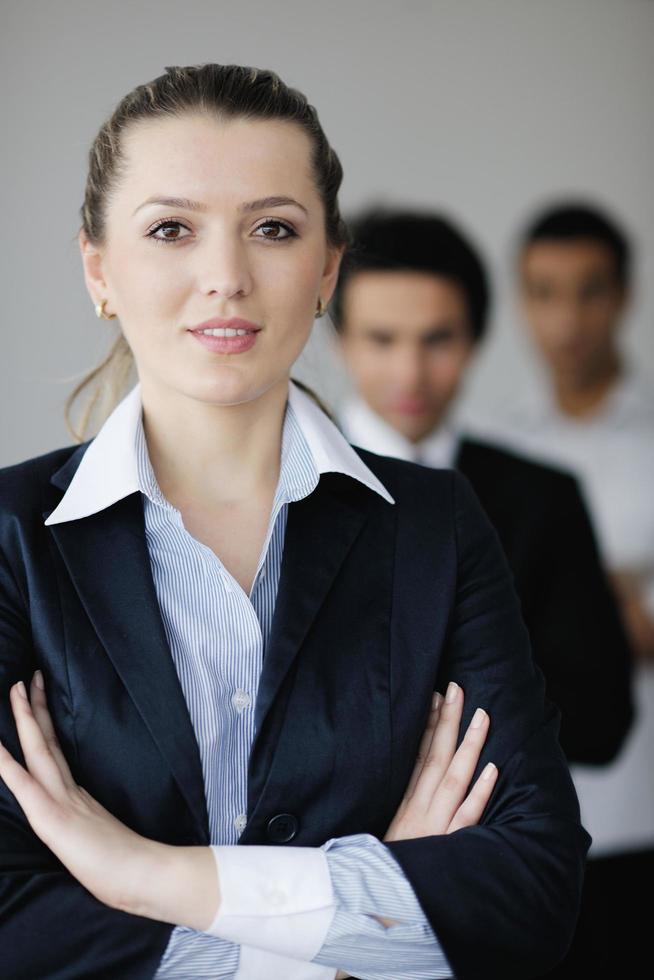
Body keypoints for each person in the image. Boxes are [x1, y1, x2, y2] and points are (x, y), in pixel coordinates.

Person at [0, 64, 591, 980]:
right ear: (99, 270)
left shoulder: (434, 524)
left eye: (272, 229)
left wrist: (144, 873)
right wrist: (347, 937)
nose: (227, 278)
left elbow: (531, 890)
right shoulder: (9, 538)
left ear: (326, 270)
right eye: (171, 229)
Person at [331, 206, 634, 766]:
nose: (411, 373)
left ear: (475, 339)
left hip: (502, 840)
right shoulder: (285, 484)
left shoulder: (544, 496)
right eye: (382, 339)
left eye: (437, 339)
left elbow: (601, 720)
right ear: (339, 340)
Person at [468, 200, 654, 975]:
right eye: (544, 291)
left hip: (644, 807)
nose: (567, 318)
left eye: (588, 290)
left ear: (624, 295)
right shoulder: (497, 451)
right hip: (531, 823)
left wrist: (578, 600)